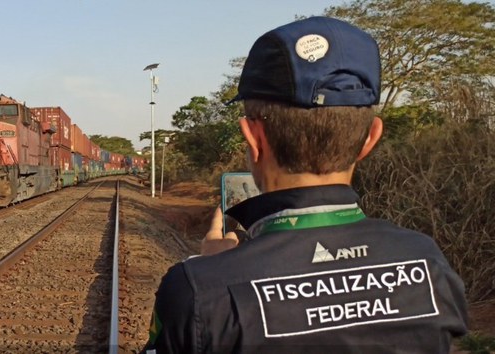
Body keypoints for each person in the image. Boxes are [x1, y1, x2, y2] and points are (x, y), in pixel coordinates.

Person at [141, 16, 468, 353]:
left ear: (253, 139)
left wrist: (211, 272)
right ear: (370, 139)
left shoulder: (196, 289)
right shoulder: (429, 263)